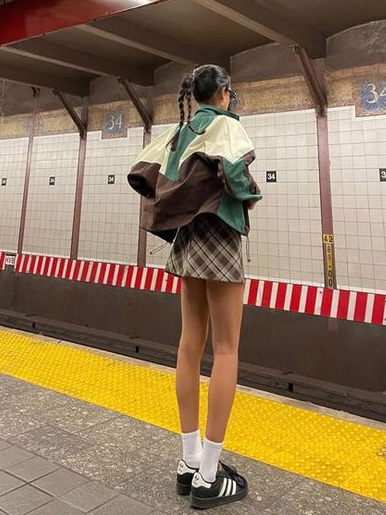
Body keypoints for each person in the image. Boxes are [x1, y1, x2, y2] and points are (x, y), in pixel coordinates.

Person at [127, 64, 262, 509]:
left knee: (189, 345)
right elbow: (239, 180)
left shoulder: (180, 132)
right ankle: (209, 475)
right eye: (230, 92)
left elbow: (149, 173)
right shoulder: (227, 125)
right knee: (226, 349)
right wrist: (252, 194)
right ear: (223, 92)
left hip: (185, 241)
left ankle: (189, 461)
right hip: (219, 240)